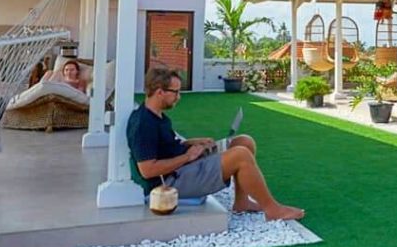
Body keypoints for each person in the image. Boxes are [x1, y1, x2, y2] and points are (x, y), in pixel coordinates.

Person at [127, 65, 304, 222]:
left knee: (244, 142)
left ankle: (241, 203)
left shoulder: (157, 115)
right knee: (240, 155)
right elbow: (148, 170)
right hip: (168, 184)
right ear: (160, 92)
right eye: (176, 92)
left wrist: (194, 143)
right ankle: (272, 210)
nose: (179, 97)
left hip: (181, 168)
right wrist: (187, 157)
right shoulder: (144, 123)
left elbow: (167, 146)